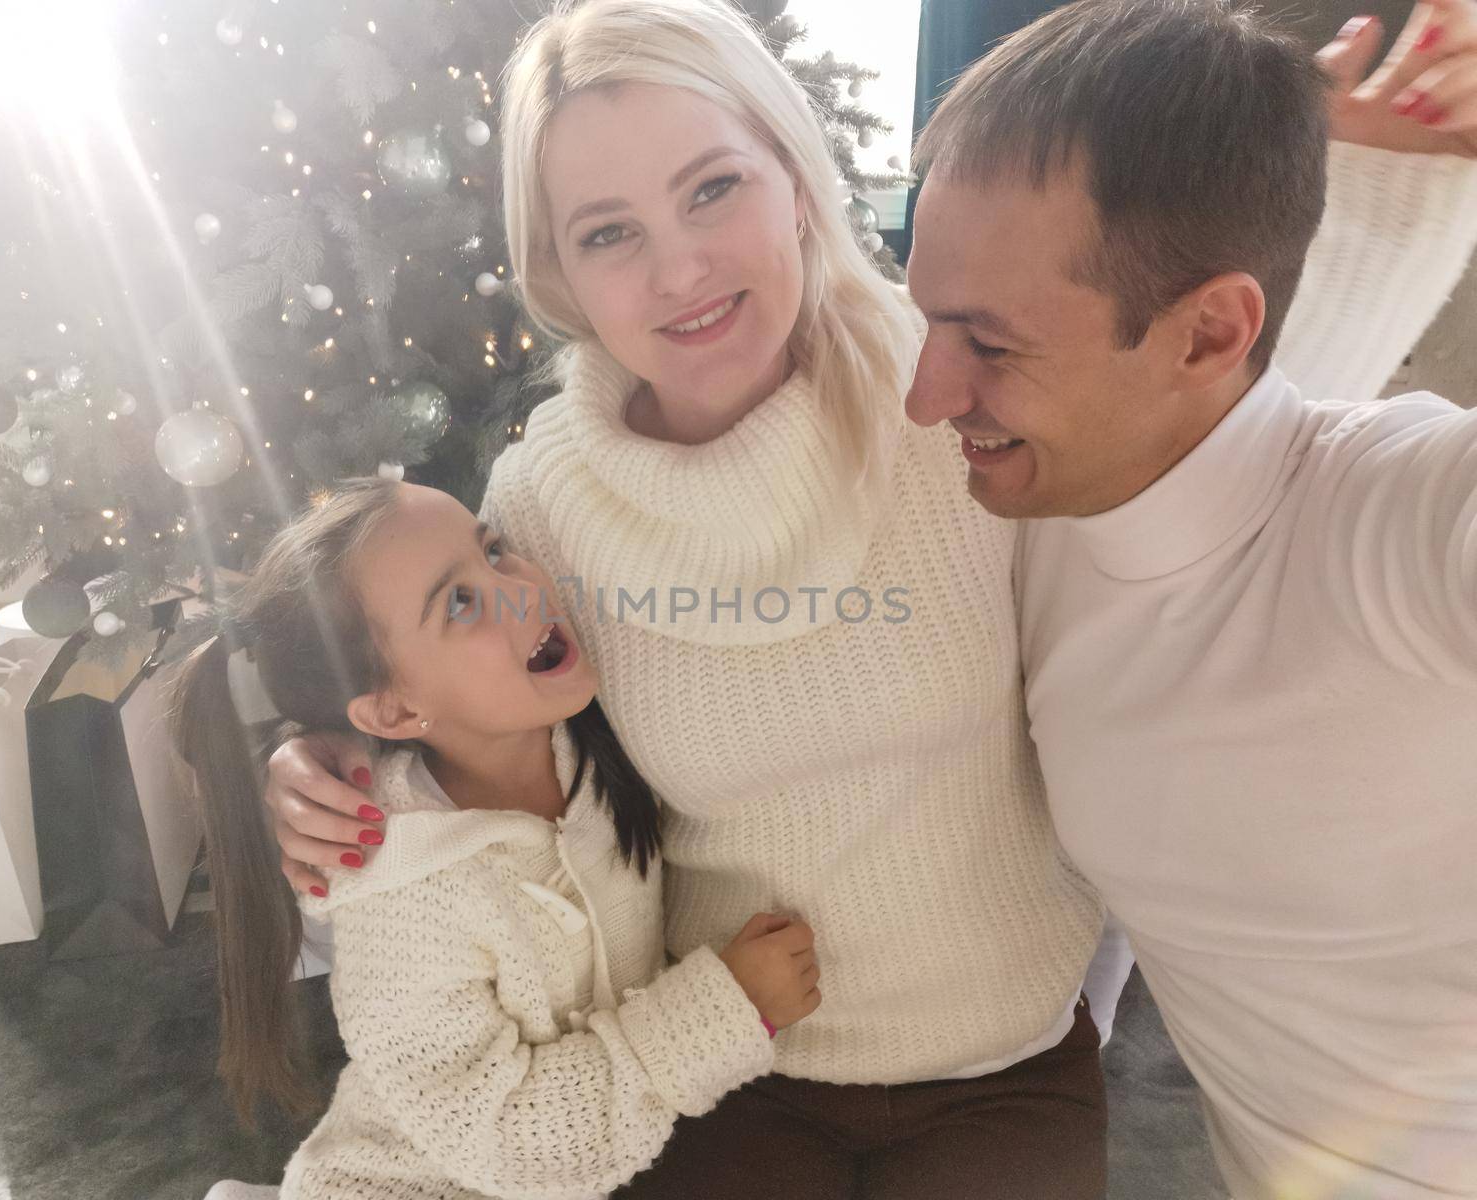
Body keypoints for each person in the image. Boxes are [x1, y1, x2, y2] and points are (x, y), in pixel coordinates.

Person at [259, 1, 1475, 1194]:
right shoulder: (538, 511)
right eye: (607, 233)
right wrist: (328, 769)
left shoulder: (964, 388)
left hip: (1003, 1060)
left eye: (712, 188)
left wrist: (1379, 200)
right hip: (732, 1061)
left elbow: (1216, 429)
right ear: (560, 272)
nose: (678, 266)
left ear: (796, 177)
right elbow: (470, 726)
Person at [903, 0, 1477, 1195]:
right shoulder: (1039, 499)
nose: (926, 395)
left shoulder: (1400, 517)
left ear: (1209, 331)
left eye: (988, 345)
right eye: (927, 321)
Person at [171, 478, 821, 1199]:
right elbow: (511, 1139)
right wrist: (728, 1009)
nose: (521, 591)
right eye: (460, 601)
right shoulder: (404, 899)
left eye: (494, 548)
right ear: (393, 709)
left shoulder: (585, 739)